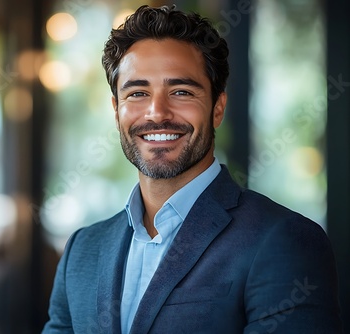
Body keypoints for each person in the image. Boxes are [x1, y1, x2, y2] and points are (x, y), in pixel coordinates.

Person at [42, 5, 343, 333]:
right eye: (138, 93)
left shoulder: (285, 241)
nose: (157, 113)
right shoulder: (82, 251)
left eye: (181, 92)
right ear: (117, 111)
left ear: (217, 108)